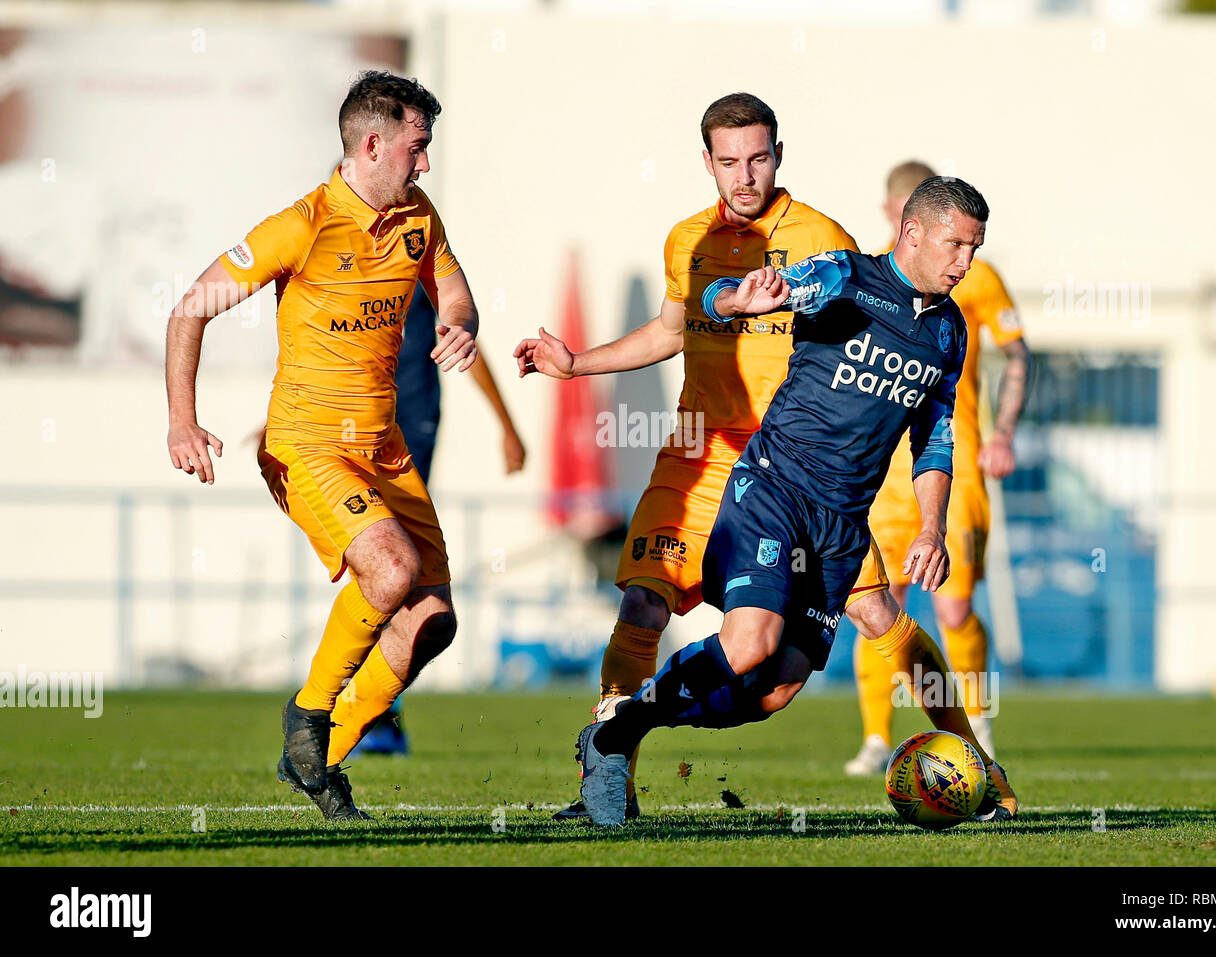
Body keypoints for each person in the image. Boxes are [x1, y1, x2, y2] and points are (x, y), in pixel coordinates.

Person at [575, 177, 1019, 826]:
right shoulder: (846, 277)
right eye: (955, 245)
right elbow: (719, 297)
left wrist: (931, 527)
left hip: (841, 523)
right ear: (913, 232)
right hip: (775, 489)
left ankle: (621, 725)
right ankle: (619, 734)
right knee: (750, 641)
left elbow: (934, 438)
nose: (965, 263)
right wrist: (737, 297)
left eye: (974, 249)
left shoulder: (949, 331)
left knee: (774, 689)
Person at [515, 93, 858, 820]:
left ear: (779, 155)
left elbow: (856, 344)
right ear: (707, 162)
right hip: (698, 461)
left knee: (780, 682)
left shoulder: (824, 238)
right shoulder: (687, 242)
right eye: (729, 161)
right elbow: (671, 331)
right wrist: (576, 363)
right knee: (642, 603)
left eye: (758, 158)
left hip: (795, 476)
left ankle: (976, 769)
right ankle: (607, 784)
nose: (745, 175)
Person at [165, 71, 479, 820]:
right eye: (417, 147)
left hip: (385, 448)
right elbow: (188, 312)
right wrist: (183, 419)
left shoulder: (417, 215)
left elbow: (455, 285)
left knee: (434, 620)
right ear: (373, 144)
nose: (425, 163)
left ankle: (315, 756)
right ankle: (308, 715)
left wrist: (458, 322)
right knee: (393, 568)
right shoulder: (301, 225)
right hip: (305, 445)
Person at [845, 162, 1032, 775]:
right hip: (884, 478)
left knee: (952, 609)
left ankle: (976, 725)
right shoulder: (869, 281)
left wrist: (1003, 433)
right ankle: (876, 737)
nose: (962, 258)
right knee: (880, 603)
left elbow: (1017, 355)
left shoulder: (970, 289)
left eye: (968, 246)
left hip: (954, 469)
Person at [358, 285, 526, 755]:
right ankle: (360, 711)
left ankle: (375, 714)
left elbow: (464, 347)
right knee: (377, 573)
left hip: (410, 439)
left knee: (400, 578)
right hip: (357, 436)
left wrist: (506, 425)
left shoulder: (416, 272)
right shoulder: (347, 271)